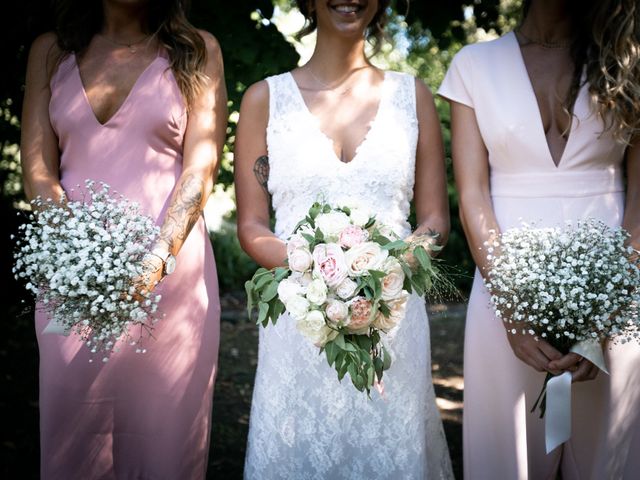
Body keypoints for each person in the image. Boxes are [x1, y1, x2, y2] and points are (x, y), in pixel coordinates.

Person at [234, 1, 454, 478]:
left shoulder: (412, 96)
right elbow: (251, 227)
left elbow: (435, 218)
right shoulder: (263, 100)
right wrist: (312, 266)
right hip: (299, 316)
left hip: (392, 316)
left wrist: (392, 267)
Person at [20, 0, 227, 477]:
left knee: (166, 446)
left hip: (171, 282)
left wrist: (158, 257)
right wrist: (75, 252)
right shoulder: (51, 53)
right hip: (71, 280)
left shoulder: (197, 50)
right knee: (72, 437)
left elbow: (200, 168)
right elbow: (37, 170)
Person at [439, 0, 640, 477]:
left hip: (617, 297)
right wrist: (511, 307)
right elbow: (472, 197)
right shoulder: (473, 65)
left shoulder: (627, 62)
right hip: (504, 293)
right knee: (506, 460)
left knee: (609, 461)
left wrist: (608, 308)